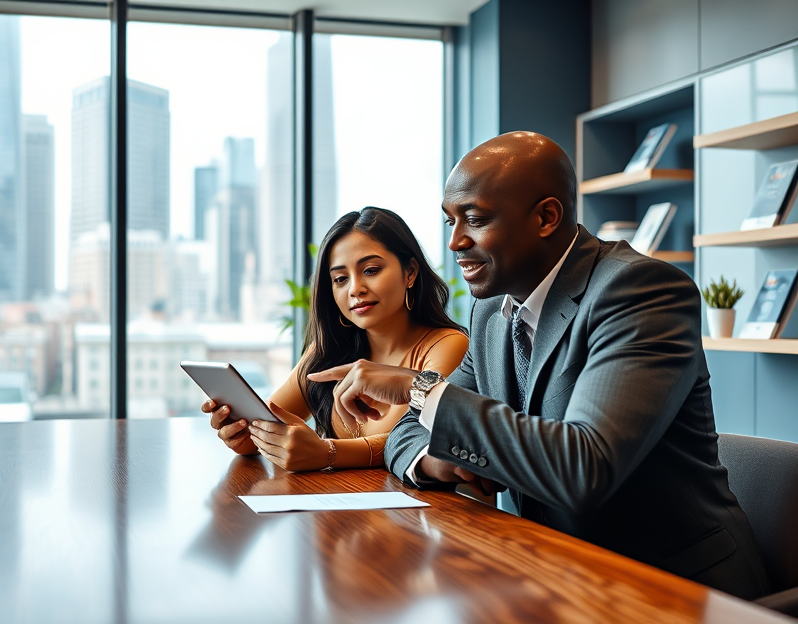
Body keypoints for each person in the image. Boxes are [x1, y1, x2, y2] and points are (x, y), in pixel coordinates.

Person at [308, 132, 771, 599]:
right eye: (450, 221)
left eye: (475, 219)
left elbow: (582, 467)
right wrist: (439, 462)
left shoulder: (639, 292)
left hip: (673, 588)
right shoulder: (492, 313)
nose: (454, 241)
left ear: (546, 217)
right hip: (557, 573)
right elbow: (410, 434)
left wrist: (421, 389)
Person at [204, 207, 468, 472]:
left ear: (410, 272)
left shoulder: (448, 344)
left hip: (426, 511)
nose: (355, 289)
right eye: (340, 279)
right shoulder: (328, 351)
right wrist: (239, 431)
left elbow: (428, 442)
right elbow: (263, 430)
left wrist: (328, 453)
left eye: (371, 270)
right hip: (345, 509)